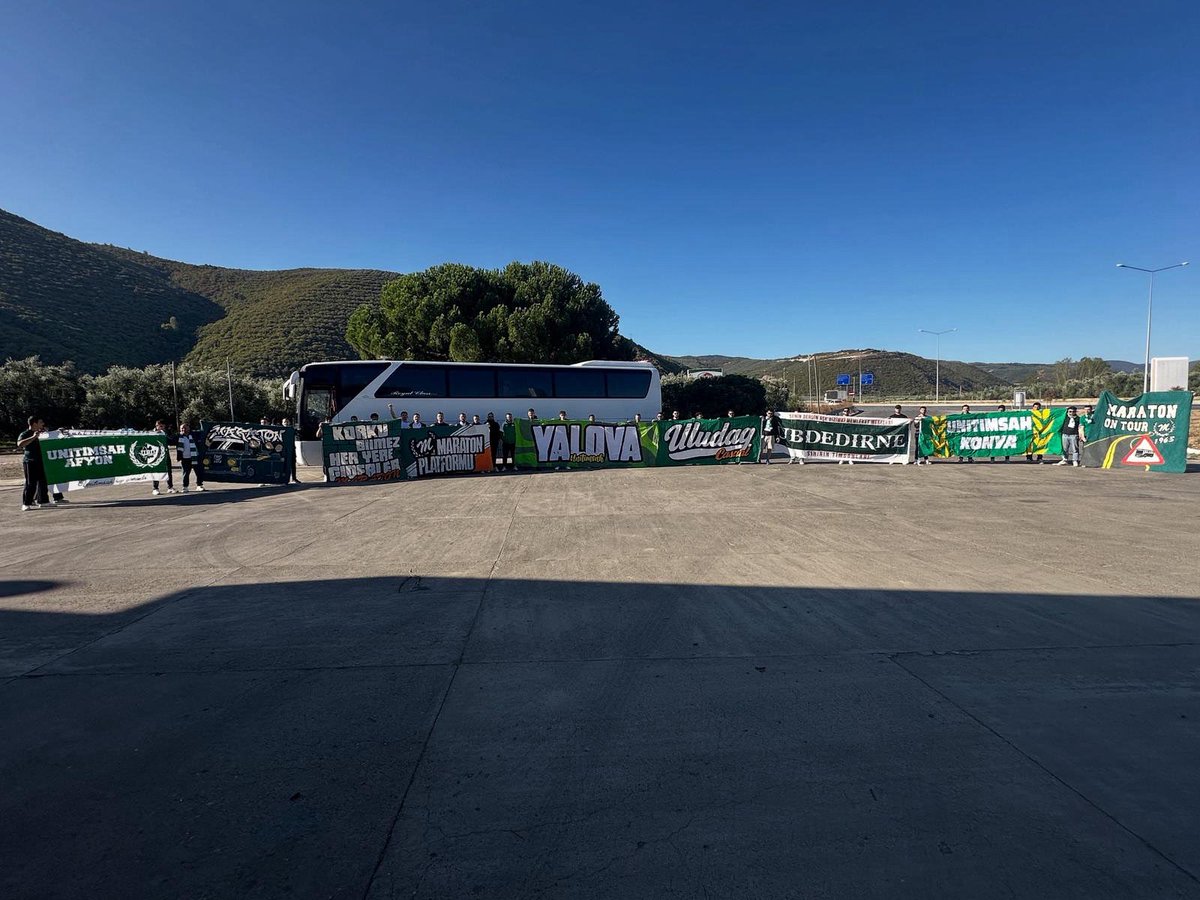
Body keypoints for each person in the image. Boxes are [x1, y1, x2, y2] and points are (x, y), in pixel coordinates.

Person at [17, 415, 50, 511]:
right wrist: (33, 437)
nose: (43, 424)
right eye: (41, 422)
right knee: (30, 483)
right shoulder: (25, 433)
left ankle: (43, 501)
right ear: (34, 423)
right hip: (30, 461)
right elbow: (20, 444)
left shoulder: (43, 433)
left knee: (43, 482)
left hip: (41, 461)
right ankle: (26, 503)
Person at [177, 422, 206, 492]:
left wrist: (203, 424)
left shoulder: (194, 435)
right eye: (181, 428)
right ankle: (185, 487)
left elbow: (203, 432)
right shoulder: (178, 436)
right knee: (185, 473)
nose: (183, 429)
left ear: (188, 428)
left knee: (198, 472)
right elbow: (170, 440)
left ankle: (199, 485)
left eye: (184, 428)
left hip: (195, 457)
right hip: (185, 458)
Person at [151, 419, 176, 495]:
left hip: (165, 454)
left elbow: (172, 441)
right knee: (156, 471)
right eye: (157, 425)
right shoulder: (152, 433)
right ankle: (155, 488)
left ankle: (170, 487)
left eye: (161, 426)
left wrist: (165, 434)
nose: (159, 427)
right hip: (155, 455)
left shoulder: (166, 432)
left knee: (168, 471)